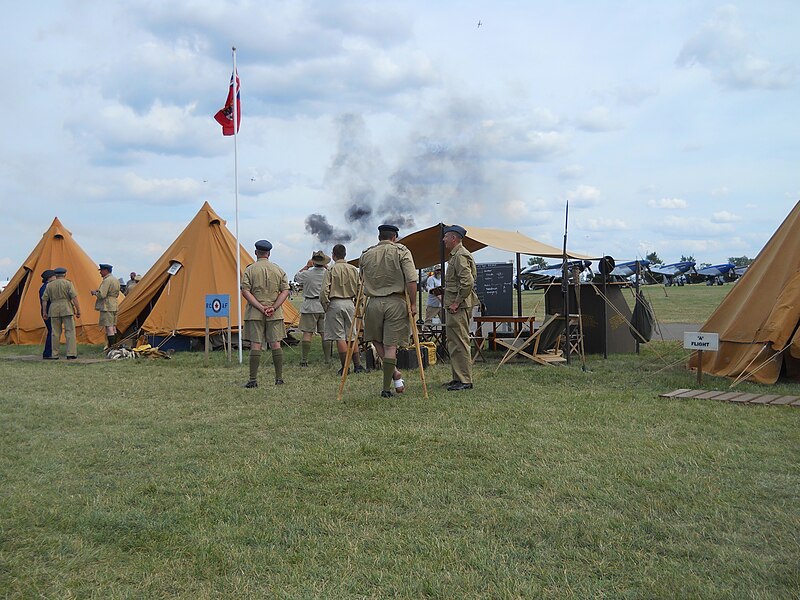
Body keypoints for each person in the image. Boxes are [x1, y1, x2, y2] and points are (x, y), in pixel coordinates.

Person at [359, 224, 417, 398]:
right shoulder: (402, 251)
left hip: (373, 303)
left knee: (375, 340)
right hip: (395, 302)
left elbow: (361, 279)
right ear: (394, 237)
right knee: (390, 345)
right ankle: (388, 385)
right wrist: (413, 304)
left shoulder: (366, 254)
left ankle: (395, 378)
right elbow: (412, 280)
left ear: (379, 237)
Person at [241, 239, 290, 388]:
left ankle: (253, 380)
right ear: (268, 253)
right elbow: (285, 291)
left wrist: (260, 307)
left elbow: (245, 291)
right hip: (274, 313)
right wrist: (273, 307)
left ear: (256, 252)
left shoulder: (250, 270)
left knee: (255, 344)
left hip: (255, 313)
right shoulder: (278, 270)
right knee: (275, 343)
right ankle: (279, 378)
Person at [320, 243, 366, 375]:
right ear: (345, 254)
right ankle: (358, 365)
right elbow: (360, 289)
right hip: (350, 303)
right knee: (352, 335)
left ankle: (345, 367)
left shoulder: (330, 270)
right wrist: (358, 304)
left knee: (340, 336)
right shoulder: (353, 269)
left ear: (333, 255)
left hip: (335, 303)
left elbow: (324, 291)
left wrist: (325, 305)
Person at [442, 224, 478, 391]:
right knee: (454, 342)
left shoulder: (460, 256)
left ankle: (464, 380)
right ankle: (458, 377)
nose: (443, 240)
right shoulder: (456, 255)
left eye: (446, 237)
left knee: (460, 341)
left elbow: (467, 282)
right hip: (455, 305)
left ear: (453, 238)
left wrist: (457, 301)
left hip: (458, 306)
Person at [294, 250, 332, 366]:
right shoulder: (328, 273)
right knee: (325, 333)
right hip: (324, 305)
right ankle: (327, 359)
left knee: (307, 333)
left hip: (310, 305)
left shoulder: (307, 274)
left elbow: (296, 277)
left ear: (313, 262)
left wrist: (306, 266)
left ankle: (304, 360)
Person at [41, 267, 81, 360]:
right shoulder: (68, 283)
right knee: (70, 331)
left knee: (55, 333)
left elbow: (44, 300)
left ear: (55, 275)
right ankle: (71, 353)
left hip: (54, 309)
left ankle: (54, 354)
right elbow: (74, 297)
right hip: (66, 308)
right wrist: (78, 310)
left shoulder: (49, 285)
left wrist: (44, 312)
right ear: (64, 274)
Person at [91, 263, 121, 349]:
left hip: (107, 305)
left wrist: (95, 293)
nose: (100, 273)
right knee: (113, 326)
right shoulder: (115, 280)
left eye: (101, 271)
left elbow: (102, 295)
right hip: (114, 304)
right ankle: (115, 345)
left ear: (105, 271)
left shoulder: (107, 280)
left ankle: (111, 347)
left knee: (109, 327)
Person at [39, 269, 56, 359]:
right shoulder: (46, 287)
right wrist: (45, 312)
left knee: (52, 331)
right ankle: (47, 352)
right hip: (48, 312)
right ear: (50, 277)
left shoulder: (45, 286)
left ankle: (50, 352)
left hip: (48, 311)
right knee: (52, 331)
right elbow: (44, 300)